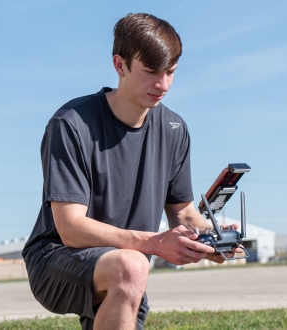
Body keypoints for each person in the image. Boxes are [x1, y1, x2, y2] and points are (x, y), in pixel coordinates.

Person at [22, 13, 241, 330]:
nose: (162, 84)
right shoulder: (71, 123)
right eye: (151, 72)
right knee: (133, 267)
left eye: (171, 72)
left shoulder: (174, 128)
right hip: (56, 258)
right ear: (119, 65)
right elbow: (70, 228)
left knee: (131, 269)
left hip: (126, 261)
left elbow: (183, 214)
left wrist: (212, 237)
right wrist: (153, 243)